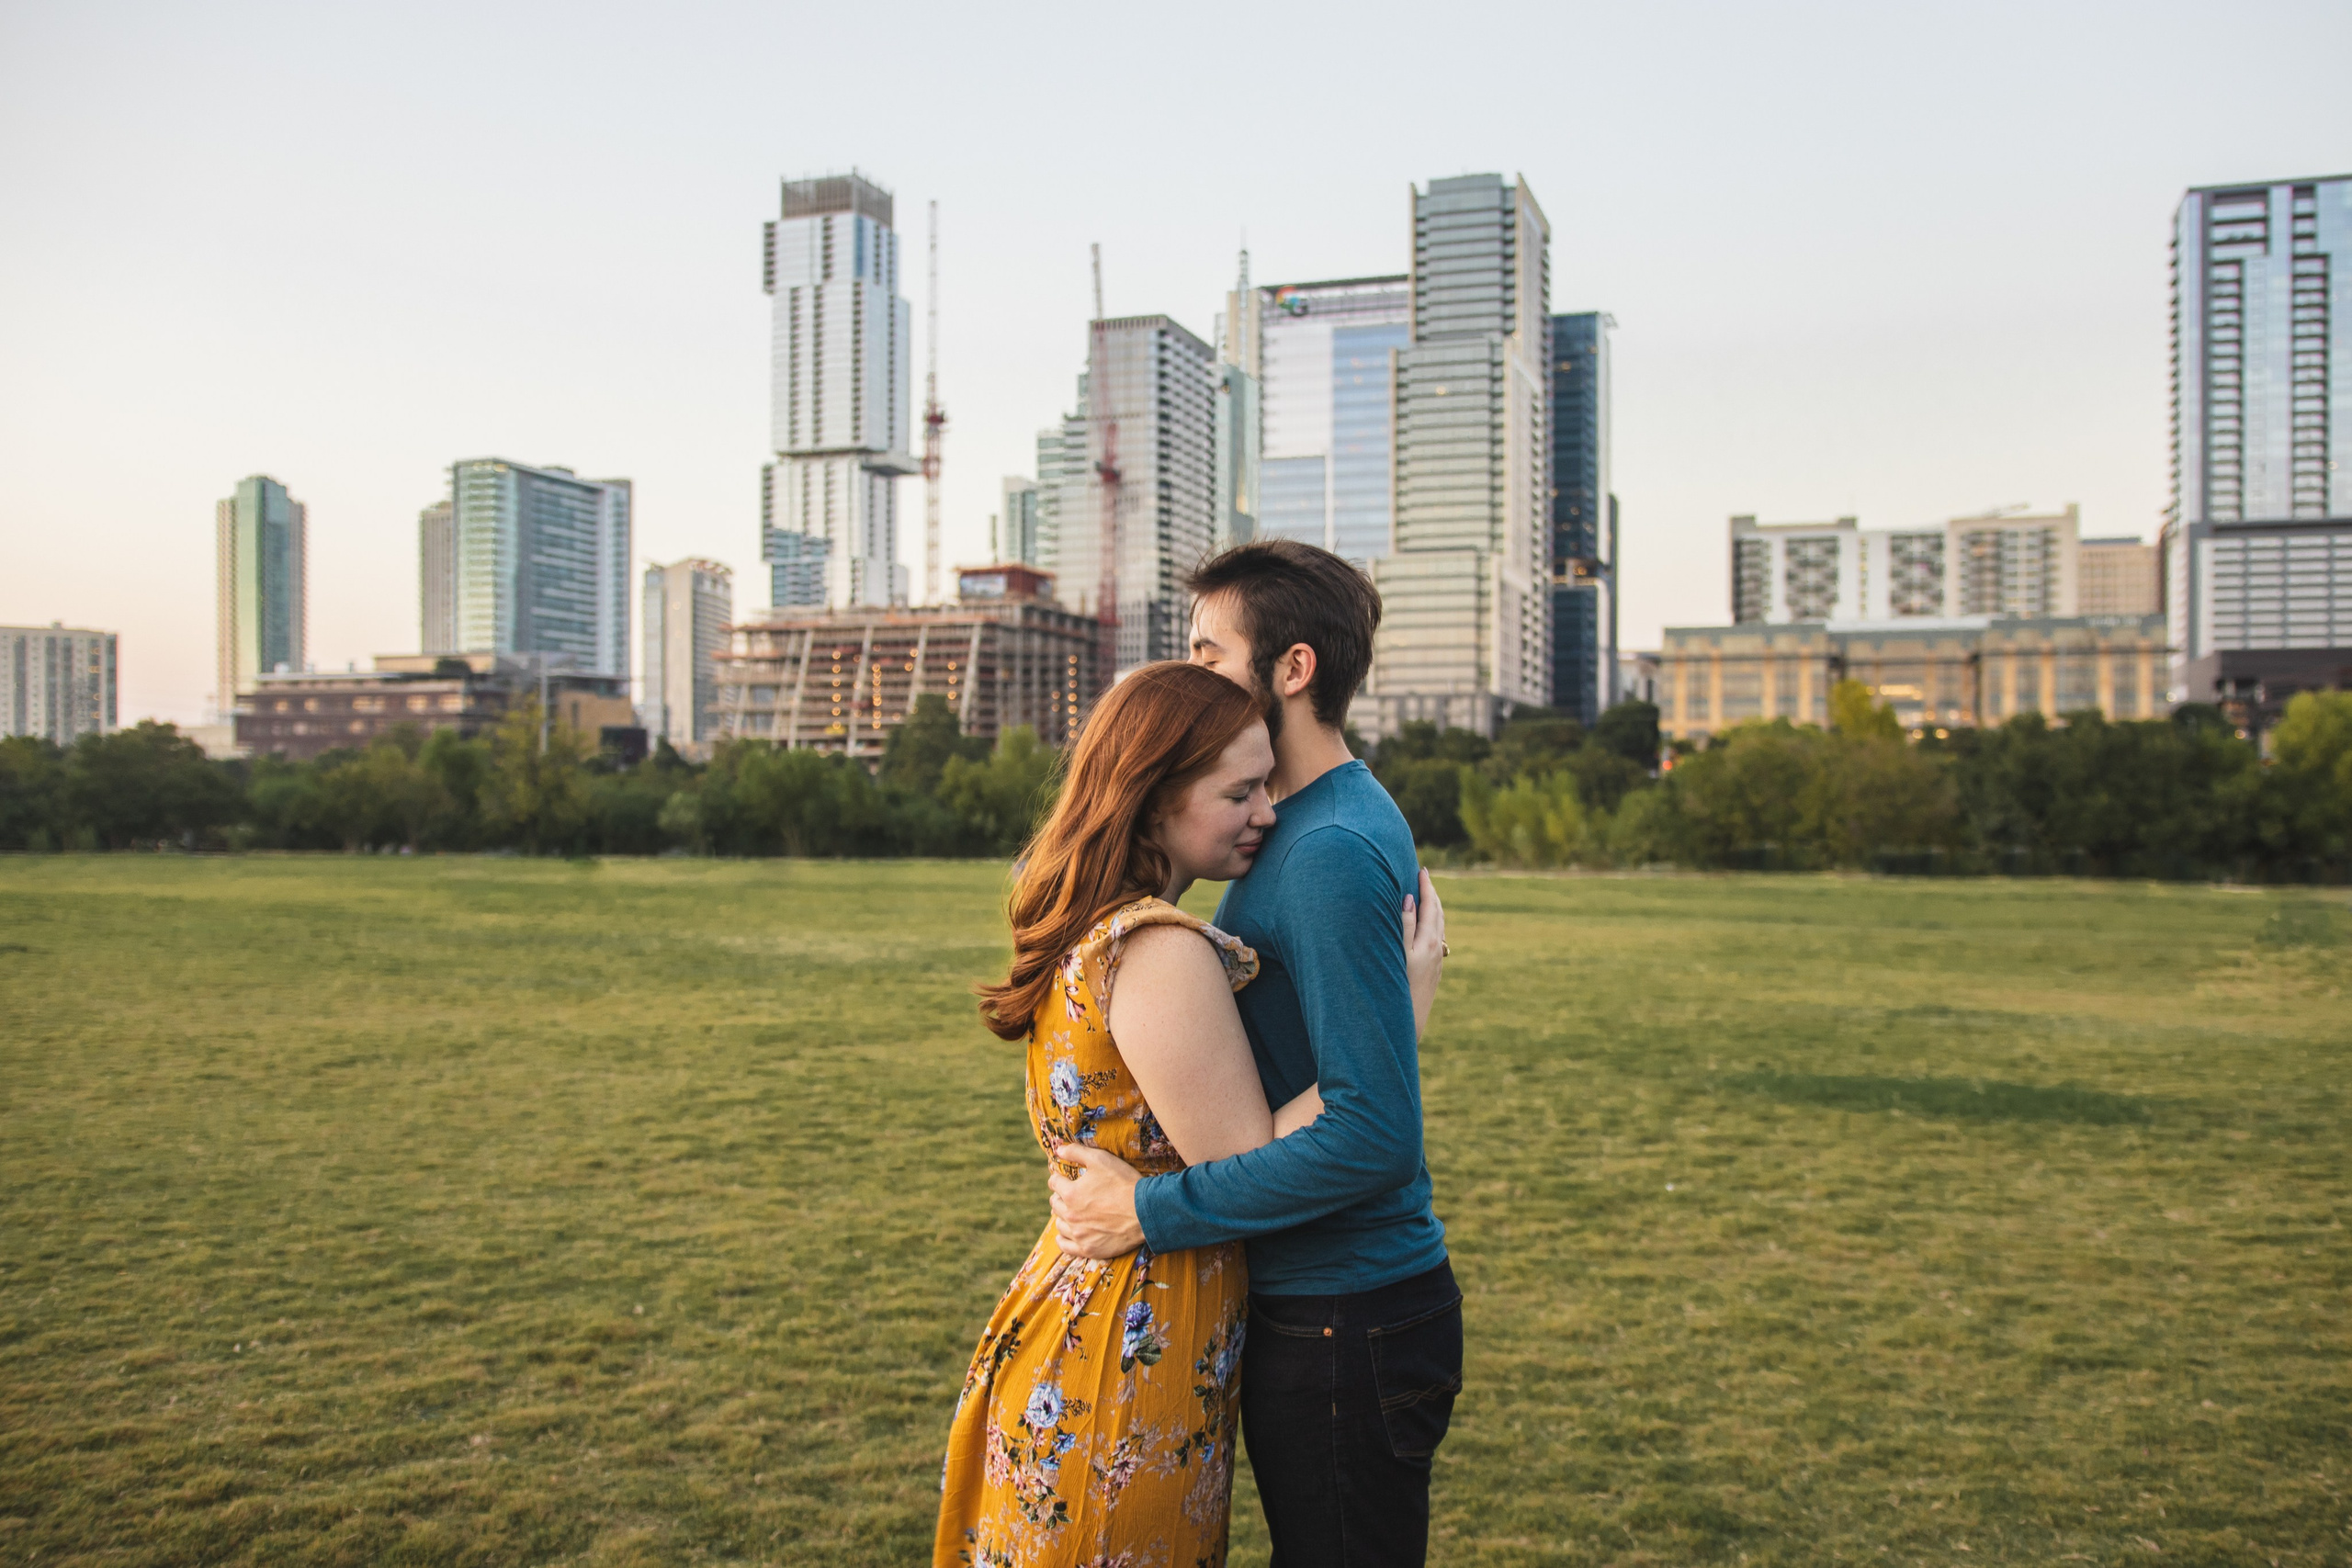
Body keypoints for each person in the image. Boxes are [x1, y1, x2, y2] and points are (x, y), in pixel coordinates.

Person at [935, 659, 1445, 1567]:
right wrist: (1394, 1015)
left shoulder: (1088, 927)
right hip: (1131, 1340)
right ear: (1155, 795)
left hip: (1083, 1311)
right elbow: (1245, 1157)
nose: (1267, 813)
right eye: (1239, 792)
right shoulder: (1161, 949)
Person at [1049, 540, 1460, 1568]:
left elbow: (1373, 1133)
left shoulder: (1319, 852)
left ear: (1292, 668)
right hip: (1327, 1307)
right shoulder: (1296, 826)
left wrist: (1145, 1211)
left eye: (1208, 649)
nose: (1191, 673)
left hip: (1344, 1313)